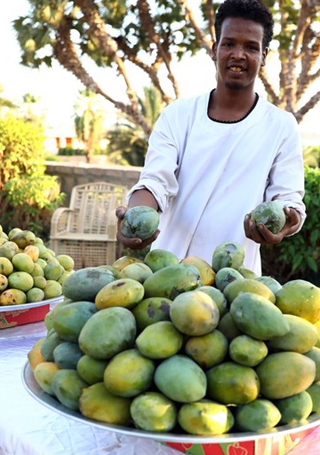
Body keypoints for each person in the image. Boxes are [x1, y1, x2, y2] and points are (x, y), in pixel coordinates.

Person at [116, 0, 305, 275]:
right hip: (166, 274)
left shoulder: (281, 126)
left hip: (235, 282)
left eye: (251, 47)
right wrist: (133, 217)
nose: (238, 54)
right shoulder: (178, 115)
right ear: (215, 50)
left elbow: (289, 200)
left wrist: (286, 222)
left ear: (264, 55)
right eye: (229, 44)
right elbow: (155, 181)